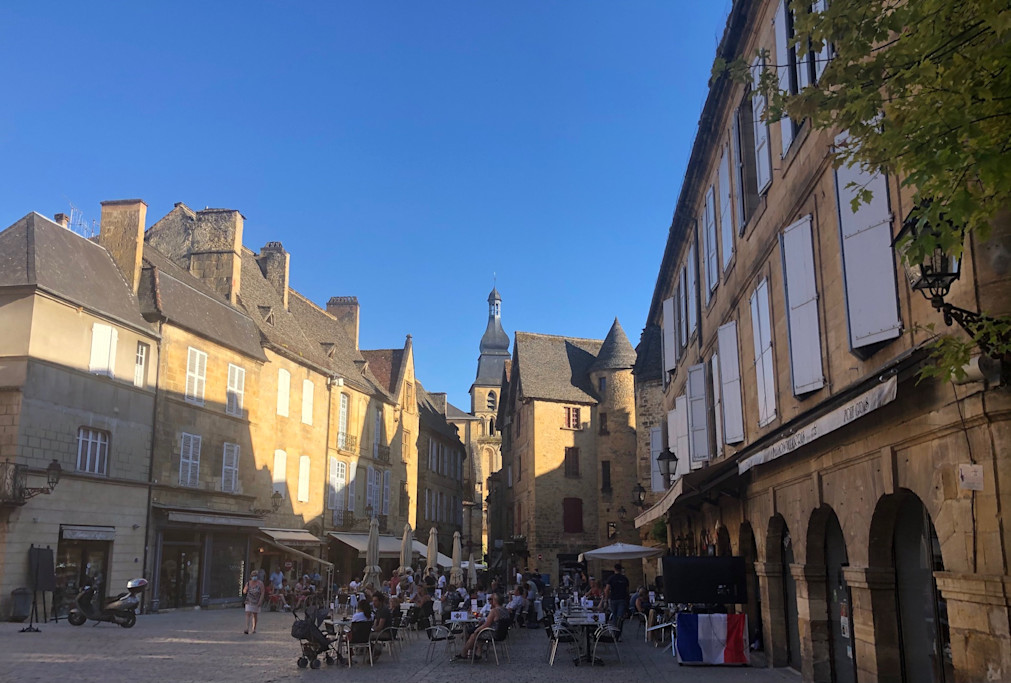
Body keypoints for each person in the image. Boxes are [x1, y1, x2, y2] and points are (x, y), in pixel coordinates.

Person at [455, 593, 507, 660]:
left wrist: (477, 630)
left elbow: (486, 624)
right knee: (479, 634)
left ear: (495, 601)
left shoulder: (494, 611)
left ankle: (463, 653)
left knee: (474, 635)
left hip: (493, 633)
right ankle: (478, 653)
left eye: (491, 599)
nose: (489, 601)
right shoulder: (505, 610)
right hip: (501, 633)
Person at [243, 569, 265, 634]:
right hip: (249, 600)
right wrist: (245, 590)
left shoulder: (260, 583)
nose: (254, 577)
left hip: (256, 601)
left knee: (255, 615)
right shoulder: (248, 583)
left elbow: (262, 592)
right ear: (251, 576)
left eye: (255, 575)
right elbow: (244, 590)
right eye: (253, 575)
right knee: (248, 613)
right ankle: (246, 628)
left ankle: (254, 628)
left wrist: (260, 601)